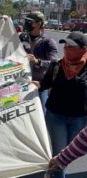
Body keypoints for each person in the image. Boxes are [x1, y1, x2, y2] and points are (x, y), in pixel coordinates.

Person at [33, 31, 87, 178]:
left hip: (79, 119)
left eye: (72, 46)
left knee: (70, 153)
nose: (67, 49)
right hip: (56, 116)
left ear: (83, 49)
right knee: (60, 154)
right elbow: (44, 85)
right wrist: (30, 86)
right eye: (66, 46)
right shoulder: (57, 65)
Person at [20, 11, 58, 114]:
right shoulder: (21, 38)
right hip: (21, 83)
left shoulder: (48, 42)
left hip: (39, 85)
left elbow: (54, 63)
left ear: (39, 23)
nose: (26, 23)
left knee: (42, 114)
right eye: (26, 21)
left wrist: (37, 61)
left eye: (30, 21)